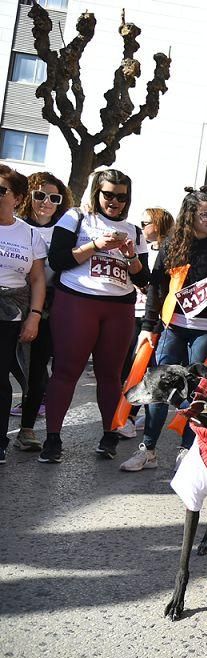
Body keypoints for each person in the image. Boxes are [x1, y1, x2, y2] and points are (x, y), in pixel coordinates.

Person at [121, 189, 207, 472]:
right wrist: (148, 326)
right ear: (190, 216)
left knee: (198, 392)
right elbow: (157, 287)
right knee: (158, 388)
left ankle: (187, 450)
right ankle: (148, 449)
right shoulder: (173, 244)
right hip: (173, 327)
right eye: (205, 215)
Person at [41, 169, 150, 463]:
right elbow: (58, 259)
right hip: (77, 300)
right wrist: (95, 246)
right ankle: (52, 439)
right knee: (66, 371)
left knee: (111, 375)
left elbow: (144, 280)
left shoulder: (134, 230)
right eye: (108, 195)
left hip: (119, 306)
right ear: (97, 193)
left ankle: (109, 434)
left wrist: (129, 257)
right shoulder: (77, 217)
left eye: (121, 197)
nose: (115, 201)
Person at [11, 172, 74, 451]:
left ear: (61, 202)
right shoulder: (16, 226)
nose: (46, 202)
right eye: (39, 195)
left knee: (37, 372)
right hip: (12, 301)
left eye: (53, 197)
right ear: (28, 197)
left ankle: (26, 429)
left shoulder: (66, 232)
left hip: (47, 309)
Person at [0, 166, 46, 464]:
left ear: (17, 198)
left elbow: (38, 279)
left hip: (10, 312)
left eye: (1, 190)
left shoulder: (30, 234)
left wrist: (35, 315)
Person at [116, 207, 173, 439]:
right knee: (129, 367)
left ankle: (129, 417)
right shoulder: (141, 247)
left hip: (156, 320)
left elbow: (160, 286)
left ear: (158, 224)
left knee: (144, 369)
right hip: (134, 312)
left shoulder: (169, 249)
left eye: (146, 222)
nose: (141, 226)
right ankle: (126, 414)